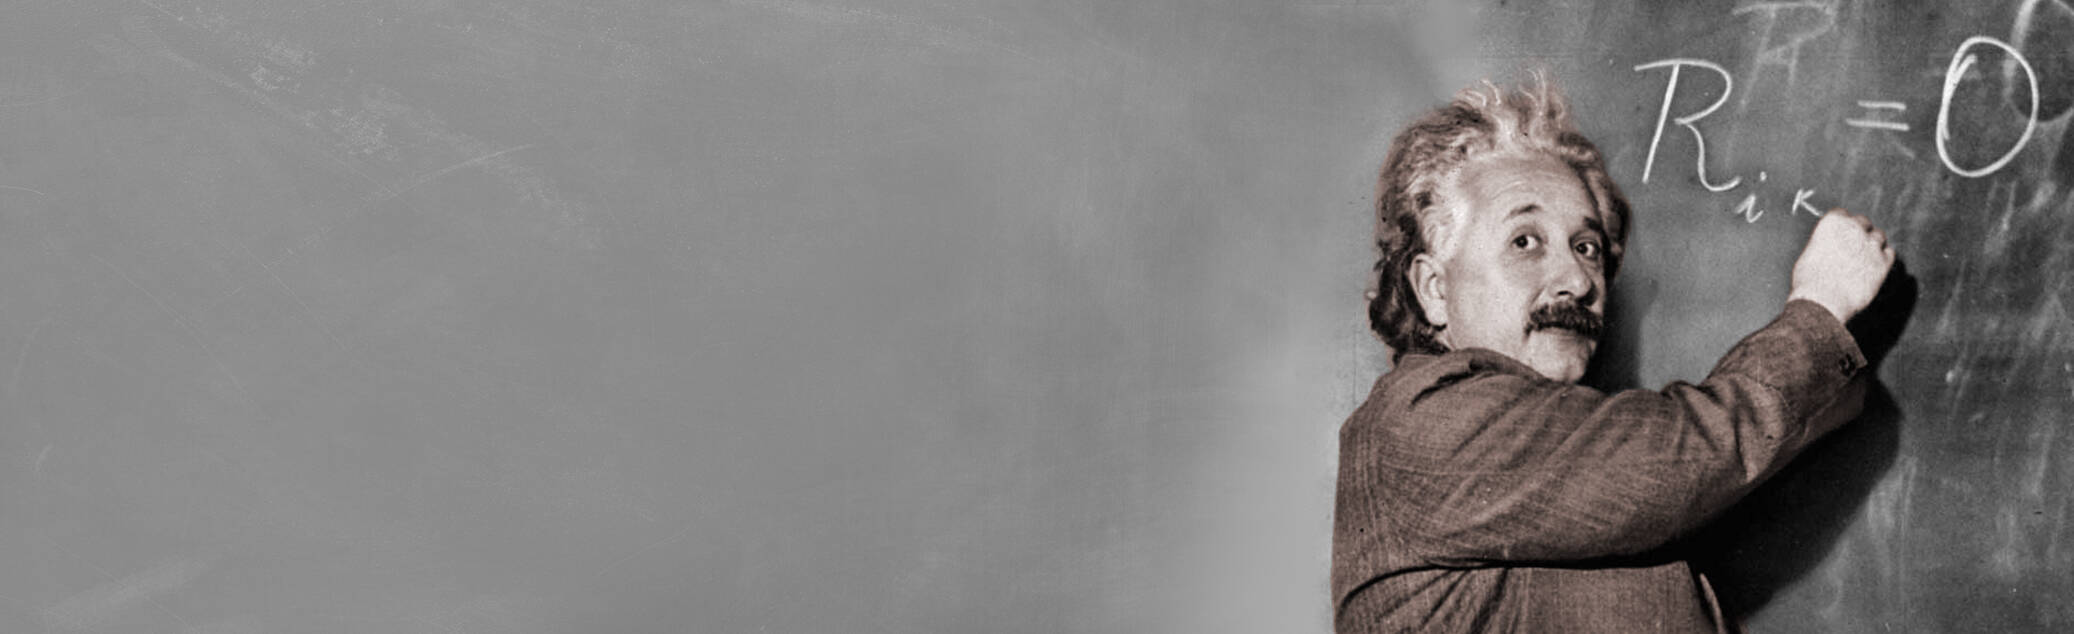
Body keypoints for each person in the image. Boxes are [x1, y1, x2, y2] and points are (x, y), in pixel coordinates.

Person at [1331, 75, 1895, 632]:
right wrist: (1820, 307)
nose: (1578, 280)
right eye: (1525, 241)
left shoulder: (1568, 470)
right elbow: (1682, 454)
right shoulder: (1421, 421)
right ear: (1434, 289)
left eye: (1587, 247)